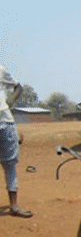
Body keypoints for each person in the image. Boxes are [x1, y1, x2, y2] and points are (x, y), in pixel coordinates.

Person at [0, 64, 31, 218]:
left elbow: (19, 87)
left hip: (5, 122)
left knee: (10, 164)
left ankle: (14, 205)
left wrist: (10, 101)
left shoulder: (1, 69)